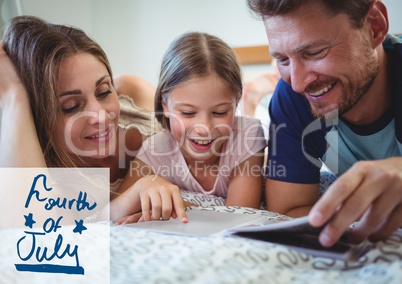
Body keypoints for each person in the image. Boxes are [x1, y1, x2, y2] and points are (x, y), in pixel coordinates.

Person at [247, 0, 402, 247]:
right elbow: (289, 210)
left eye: (314, 52)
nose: (298, 83)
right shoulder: (292, 98)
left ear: (374, 26)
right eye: (283, 59)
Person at [0, 16, 157, 217]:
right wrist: (14, 97)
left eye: (103, 92)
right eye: (71, 107)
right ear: (37, 118)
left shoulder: (131, 92)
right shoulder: (48, 179)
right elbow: (27, 234)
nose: (100, 117)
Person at [112, 32, 267, 224]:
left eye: (219, 113)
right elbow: (109, 213)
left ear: (236, 105)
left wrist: (173, 206)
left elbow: (238, 219)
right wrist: (141, 189)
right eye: (187, 113)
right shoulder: (156, 150)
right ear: (165, 106)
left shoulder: (247, 135)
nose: (204, 128)